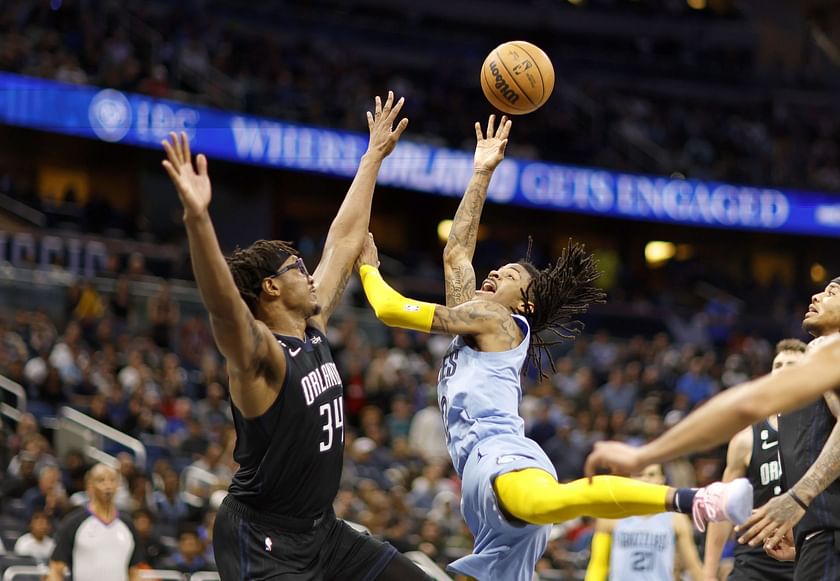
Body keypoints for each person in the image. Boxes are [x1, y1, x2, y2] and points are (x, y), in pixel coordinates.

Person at [355, 115, 752, 581]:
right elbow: (456, 254)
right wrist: (482, 172)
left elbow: (390, 310)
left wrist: (367, 268)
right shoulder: (479, 322)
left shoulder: (497, 318)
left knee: (550, 502)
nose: (496, 273)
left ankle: (695, 500)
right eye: (497, 269)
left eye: (510, 275)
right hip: (478, 482)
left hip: (501, 454)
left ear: (524, 301)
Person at [161, 92, 431, 581]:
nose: (311, 275)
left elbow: (345, 240)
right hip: (263, 541)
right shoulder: (262, 356)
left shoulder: (311, 325)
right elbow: (223, 308)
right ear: (270, 288)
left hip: (320, 532)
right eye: (297, 268)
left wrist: (372, 157)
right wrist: (198, 220)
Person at [584, 277, 840, 562]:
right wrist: (804, 545)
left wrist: (644, 454)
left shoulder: (826, 351)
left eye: (831, 293)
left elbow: (746, 404)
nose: (817, 296)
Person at [703, 340, 805, 581]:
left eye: (792, 364)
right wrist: (707, 573)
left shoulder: (825, 431)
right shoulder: (745, 440)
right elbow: (723, 509)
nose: (783, 369)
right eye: (777, 365)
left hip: (806, 559)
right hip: (753, 564)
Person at [584, 464, 703, 581]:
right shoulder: (610, 516)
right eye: (639, 475)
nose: (645, 479)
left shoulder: (676, 519)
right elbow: (598, 565)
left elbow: (692, 566)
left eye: (651, 475)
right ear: (631, 479)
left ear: (662, 479)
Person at [46, 464, 143, 581]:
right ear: (89, 485)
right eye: (101, 480)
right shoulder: (74, 522)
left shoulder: (128, 524)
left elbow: (133, 571)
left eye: (113, 480)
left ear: (118, 485)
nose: (108, 485)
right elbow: (56, 568)